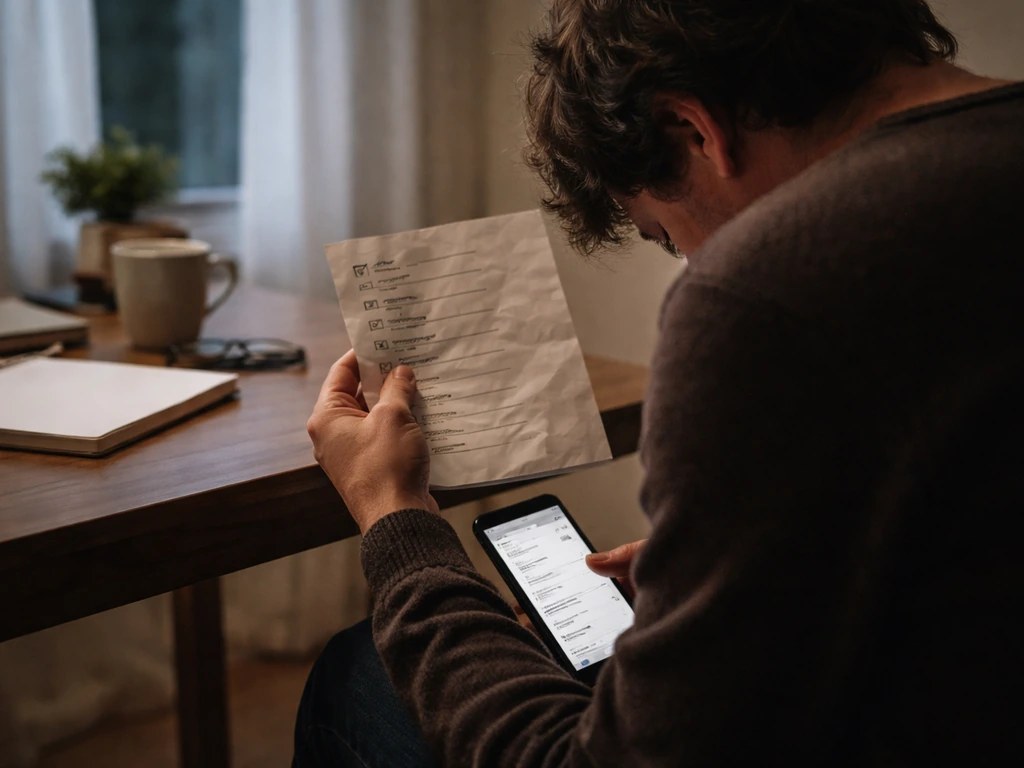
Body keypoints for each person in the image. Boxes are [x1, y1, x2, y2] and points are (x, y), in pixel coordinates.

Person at [294, 1, 1024, 765]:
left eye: (665, 237)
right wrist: (743, 563)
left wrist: (396, 519)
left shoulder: (765, 293)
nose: (695, 264)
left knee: (359, 671)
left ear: (693, 130)